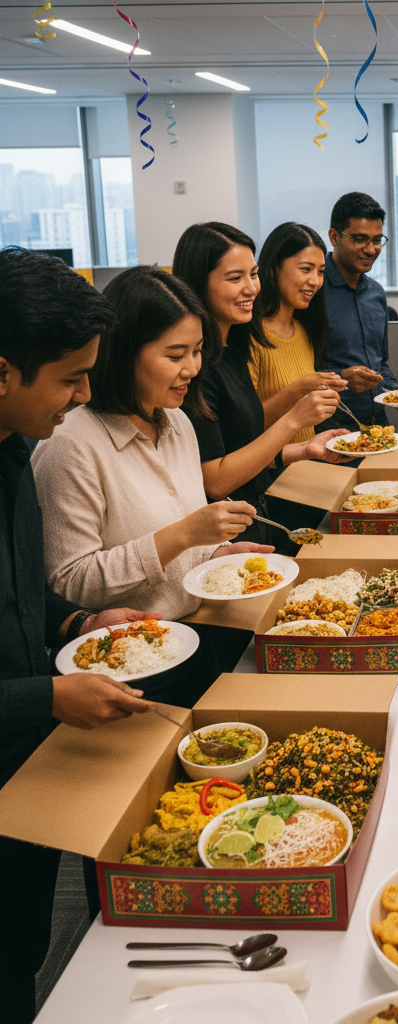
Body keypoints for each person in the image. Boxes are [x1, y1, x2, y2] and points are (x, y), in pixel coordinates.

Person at [0, 248, 156, 1024]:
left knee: (23, 954)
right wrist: (49, 692)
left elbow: (25, 597)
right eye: (69, 378)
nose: (86, 394)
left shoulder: (16, 454)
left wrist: (77, 622)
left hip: (31, 767)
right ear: (3, 372)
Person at [31, 266, 272, 705]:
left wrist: (217, 555)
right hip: (130, 665)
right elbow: (68, 583)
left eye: (197, 351)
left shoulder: (176, 421)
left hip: (197, 635)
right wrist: (185, 535)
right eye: (175, 354)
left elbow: (184, 540)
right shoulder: (70, 444)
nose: (192, 369)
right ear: (121, 353)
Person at [173, 222, 349, 544]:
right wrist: (295, 417)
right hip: (221, 535)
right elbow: (215, 481)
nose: (251, 287)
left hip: (254, 515)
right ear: (200, 283)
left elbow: (243, 446)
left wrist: (305, 448)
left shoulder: (235, 346)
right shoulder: (195, 366)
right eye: (235, 278)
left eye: (252, 274)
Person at [250, 221, 346, 446]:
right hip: (269, 473)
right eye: (306, 269)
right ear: (274, 269)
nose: (315, 281)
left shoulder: (303, 331)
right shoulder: (252, 336)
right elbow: (244, 427)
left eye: (321, 272)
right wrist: (298, 389)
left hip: (305, 467)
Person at [319, 192, 398, 433]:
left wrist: (397, 393)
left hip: (378, 421)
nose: (371, 249)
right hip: (329, 425)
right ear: (334, 237)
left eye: (377, 240)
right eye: (359, 239)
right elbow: (293, 370)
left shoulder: (376, 293)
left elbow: (380, 364)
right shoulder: (312, 290)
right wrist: (341, 377)